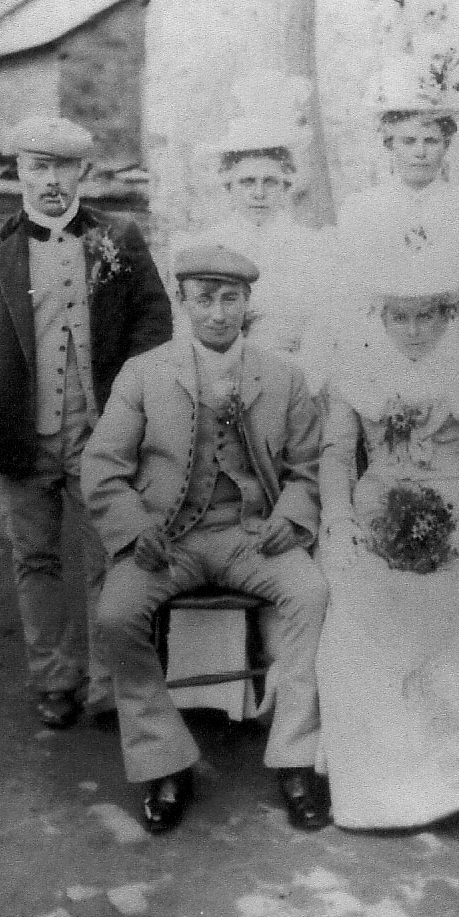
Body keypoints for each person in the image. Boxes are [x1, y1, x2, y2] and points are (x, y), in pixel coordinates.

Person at [81, 243, 330, 834]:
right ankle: (165, 760)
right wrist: (135, 529)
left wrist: (291, 517)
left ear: (248, 303)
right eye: (204, 299)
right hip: (168, 540)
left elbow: (311, 463)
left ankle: (296, 759)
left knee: (312, 595)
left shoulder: (283, 375)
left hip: (251, 535)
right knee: (116, 614)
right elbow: (102, 464)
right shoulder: (144, 373)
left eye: (230, 299)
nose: (217, 313)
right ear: (182, 301)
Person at [316, 236, 459, 832]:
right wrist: (344, 524)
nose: (414, 329)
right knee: (365, 598)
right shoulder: (357, 370)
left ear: (449, 314)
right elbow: (339, 456)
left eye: (428, 315)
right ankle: (390, 778)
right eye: (401, 316)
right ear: (383, 316)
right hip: (377, 517)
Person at [0, 116, 172, 729]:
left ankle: (109, 682)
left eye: (63, 168)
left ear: (84, 172)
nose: (51, 182)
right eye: (38, 167)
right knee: (35, 559)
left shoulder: (119, 238)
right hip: (20, 435)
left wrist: (131, 412)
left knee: (110, 555)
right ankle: (54, 678)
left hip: (99, 434)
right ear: (19, 174)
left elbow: (153, 324)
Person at [334, 46, 459, 343]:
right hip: (380, 338)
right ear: (389, 144)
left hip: (454, 337)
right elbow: (352, 287)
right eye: (408, 141)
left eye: (431, 141)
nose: (420, 152)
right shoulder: (361, 208)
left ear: (446, 144)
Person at [199, 114, 332, 391]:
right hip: (223, 379)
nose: (259, 193)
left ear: (285, 186)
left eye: (270, 182)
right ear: (229, 186)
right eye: (247, 182)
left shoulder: (312, 246)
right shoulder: (207, 247)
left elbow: (323, 326)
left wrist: (302, 382)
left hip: (296, 376)